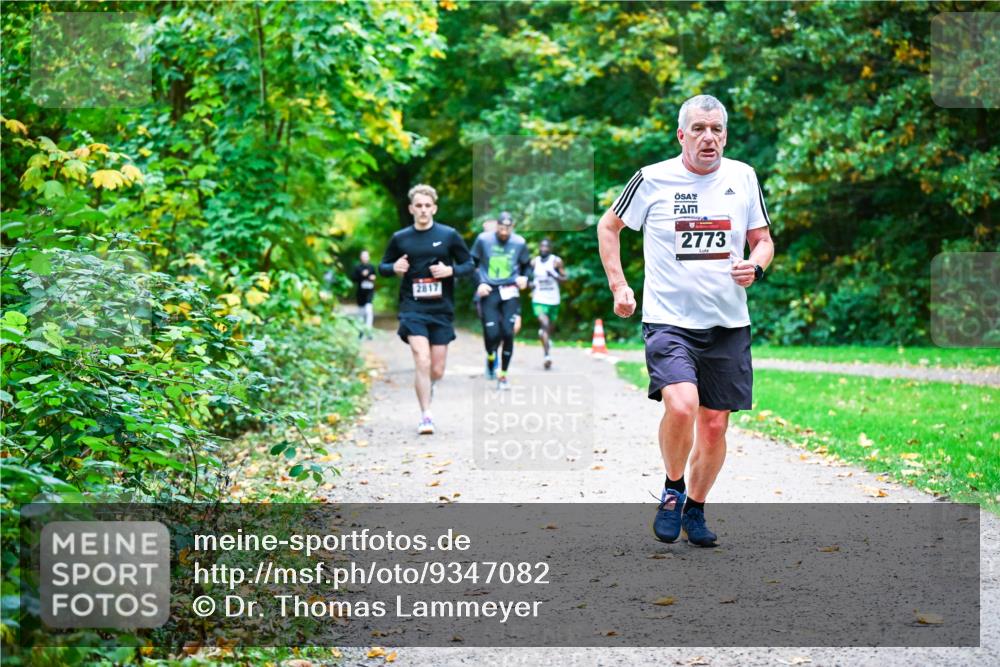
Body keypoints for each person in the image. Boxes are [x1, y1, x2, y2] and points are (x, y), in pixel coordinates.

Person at [596, 94, 775, 547]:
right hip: (669, 321)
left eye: (716, 129)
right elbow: (608, 226)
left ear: (725, 135)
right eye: (698, 129)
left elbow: (763, 240)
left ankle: (695, 507)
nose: (708, 137)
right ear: (682, 135)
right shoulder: (652, 180)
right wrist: (619, 285)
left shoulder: (744, 177)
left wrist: (755, 266)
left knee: (714, 425)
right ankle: (673, 488)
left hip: (729, 322)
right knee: (681, 405)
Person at [378, 184, 474, 435]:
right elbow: (383, 266)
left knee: (436, 369)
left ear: (434, 208)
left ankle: (428, 386)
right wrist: (394, 268)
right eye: (418, 206)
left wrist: (450, 271)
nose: (423, 210)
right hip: (412, 307)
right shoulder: (401, 238)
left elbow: (469, 264)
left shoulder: (449, 235)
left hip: (441, 309)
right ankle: (426, 415)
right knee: (421, 358)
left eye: (427, 206)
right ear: (411, 209)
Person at [470, 211, 531, 390]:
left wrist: (525, 278)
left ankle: (503, 375)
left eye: (508, 228)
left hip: (510, 290)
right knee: (492, 334)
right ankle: (490, 357)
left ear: (513, 228)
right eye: (501, 228)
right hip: (489, 291)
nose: (504, 232)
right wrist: (479, 283)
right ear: (496, 226)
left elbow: (527, 266)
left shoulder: (519, 243)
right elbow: (471, 263)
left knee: (508, 332)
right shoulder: (483, 240)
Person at [530, 238, 567, 370]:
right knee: (544, 324)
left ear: (550, 249)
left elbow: (565, 279)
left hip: (553, 300)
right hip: (539, 299)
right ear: (539, 248)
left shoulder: (556, 261)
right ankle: (547, 356)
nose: (543, 249)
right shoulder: (534, 262)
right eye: (541, 247)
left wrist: (554, 275)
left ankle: (545, 337)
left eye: (546, 247)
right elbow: (528, 277)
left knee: (548, 328)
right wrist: (530, 284)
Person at [473, 219, 500, 379]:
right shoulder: (480, 246)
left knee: (504, 330)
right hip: (484, 295)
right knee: (490, 331)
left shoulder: (506, 246)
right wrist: (480, 284)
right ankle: (491, 356)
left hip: (504, 295)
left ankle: (496, 359)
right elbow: (471, 267)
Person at [351, 250, 376, 338]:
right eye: (363, 256)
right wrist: (361, 275)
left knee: (369, 311)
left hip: (369, 292)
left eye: (366, 256)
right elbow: (353, 278)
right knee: (361, 313)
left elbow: (374, 276)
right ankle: (361, 330)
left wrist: (372, 277)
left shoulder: (371, 267)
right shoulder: (357, 267)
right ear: (361, 257)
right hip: (360, 293)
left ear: (368, 257)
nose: (365, 258)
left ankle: (368, 331)